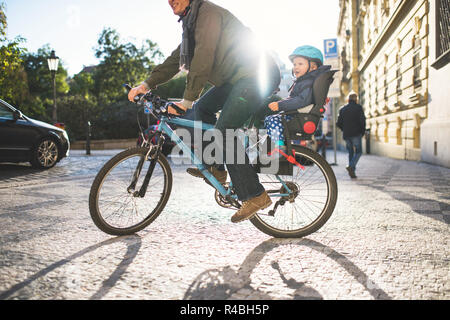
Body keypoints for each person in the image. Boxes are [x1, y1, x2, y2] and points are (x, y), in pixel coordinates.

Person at [128, 0, 281, 223]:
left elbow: (203, 56)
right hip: (236, 79)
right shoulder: (191, 23)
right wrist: (146, 84)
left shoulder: (207, 13)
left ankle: (255, 195)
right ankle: (216, 168)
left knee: (224, 130)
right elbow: (176, 59)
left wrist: (187, 99)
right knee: (204, 109)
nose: (170, 1)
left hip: (256, 75)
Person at [264, 46, 331, 154]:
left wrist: (280, 105)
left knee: (272, 120)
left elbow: (301, 101)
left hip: (299, 117)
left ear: (313, 67)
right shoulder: (304, 81)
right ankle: (277, 145)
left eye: (300, 64)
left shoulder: (308, 82)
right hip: (297, 115)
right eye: (294, 64)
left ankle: (279, 148)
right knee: (269, 119)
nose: (296, 67)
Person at [336, 92, 366, 178]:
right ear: (356, 99)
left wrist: (344, 129)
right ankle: (351, 166)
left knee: (351, 152)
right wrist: (362, 132)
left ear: (348, 99)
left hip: (347, 134)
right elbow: (362, 121)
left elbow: (338, 123)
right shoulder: (358, 108)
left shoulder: (342, 109)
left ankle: (352, 172)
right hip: (356, 134)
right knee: (359, 152)